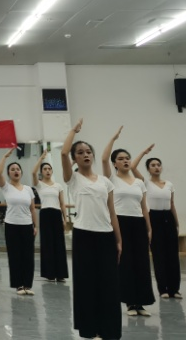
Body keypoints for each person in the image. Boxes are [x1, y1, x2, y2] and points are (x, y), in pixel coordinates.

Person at [62, 119, 122, 340]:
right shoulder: (73, 179)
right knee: (87, 284)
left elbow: (112, 213)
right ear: (75, 158)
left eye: (88, 152)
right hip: (83, 235)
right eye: (80, 152)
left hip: (106, 236)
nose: (85, 155)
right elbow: (63, 153)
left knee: (109, 284)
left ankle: (109, 330)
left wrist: (118, 240)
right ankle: (90, 330)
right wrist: (73, 131)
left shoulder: (105, 182)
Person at [102, 127, 154, 317]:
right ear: (115, 163)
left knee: (141, 262)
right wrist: (113, 138)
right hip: (120, 223)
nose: (125, 161)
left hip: (139, 224)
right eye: (121, 158)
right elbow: (103, 159)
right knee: (125, 262)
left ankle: (141, 302)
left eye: (127, 158)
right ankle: (130, 302)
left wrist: (149, 228)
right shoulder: (111, 180)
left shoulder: (139, 182)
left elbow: (144, 207)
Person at [132, 145, 182, 300]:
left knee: (172, 255)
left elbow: (172, 204)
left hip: (169, 218)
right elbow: (132, 167)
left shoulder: (169, 184)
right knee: (159, 254)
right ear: (148, 169)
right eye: (153, 165)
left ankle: (175, 289)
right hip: (154, 218)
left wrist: (177, 223)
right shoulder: (145, 183)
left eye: (158, 165)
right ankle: (163, 289)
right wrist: (143, 152)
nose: (156, 167)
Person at [0, 147, 38, 295]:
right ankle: (18, 285)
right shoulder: (6, 187)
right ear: (9, 173)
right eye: (12, 169)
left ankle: (27, 285)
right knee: (15, 256)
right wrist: (5, 156)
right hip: (11, 225)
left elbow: (32, 209)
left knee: (28, 256)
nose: (16, 171)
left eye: (18, 169)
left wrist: (35, 225)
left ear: (21, 172)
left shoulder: (28, 189)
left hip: (27, 225)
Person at [31, 149, 68, 282]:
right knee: (47, 243)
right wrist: (41, 158)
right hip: (45, 214)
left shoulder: (58, 186)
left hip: (57, 214)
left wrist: (65, 218)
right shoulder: (39, 185)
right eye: (45, 169)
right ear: (42, 172)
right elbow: (33, 172)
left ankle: (61, 274)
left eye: (49, 169)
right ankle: (50, 273)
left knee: (59, 243)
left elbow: (62, 203)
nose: (47, 171)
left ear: (52, 171)